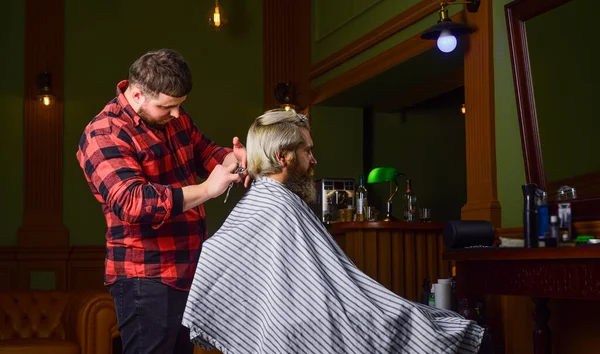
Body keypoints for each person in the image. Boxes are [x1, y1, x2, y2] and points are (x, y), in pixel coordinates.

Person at [182, 109, 484, 353]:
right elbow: (215, 253)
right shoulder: (274, 205)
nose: (314, 160)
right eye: (307, 151)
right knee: (449, 331)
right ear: (283, 156)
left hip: (301, 320)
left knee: (435, 321)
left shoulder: (273, 200)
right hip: (307, 325)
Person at [76, 48, 249, 354]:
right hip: (145, 275)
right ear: (138, 95)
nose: (177, 114)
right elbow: (132, 201)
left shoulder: (173, 119)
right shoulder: (103, 133)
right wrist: (208, 189)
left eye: (181, 106)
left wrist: (232, 158)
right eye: (168, 106)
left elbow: (204, 151)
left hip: (188, 267)